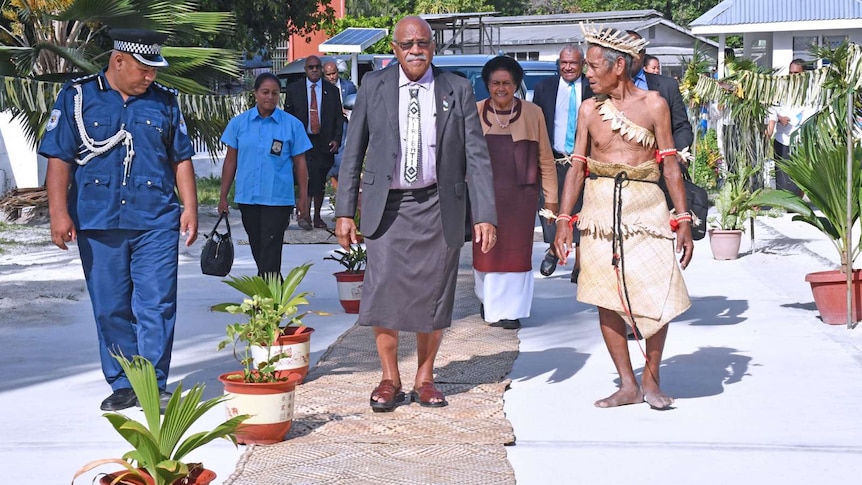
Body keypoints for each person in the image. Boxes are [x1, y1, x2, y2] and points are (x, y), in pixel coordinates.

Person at [335, 16, 497, 411]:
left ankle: (425, 377)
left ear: (433, 47)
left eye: (422, 43)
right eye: (407, 44)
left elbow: (476, 156)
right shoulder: (374, 86)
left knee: (434, 296)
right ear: (395, 48)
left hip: (438, 206)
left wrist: (485, 213)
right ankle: (390, 377)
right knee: (384, 290)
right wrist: (343, 211)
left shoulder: (456, 88)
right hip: (386, 208)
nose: (415, 51)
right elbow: (352, 150)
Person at [39, 29, 197, 411]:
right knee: (110, 306)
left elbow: (180, 158)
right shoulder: (77, 98)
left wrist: (190, 207)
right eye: (144, 69)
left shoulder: (165, 103)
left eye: (155, 71)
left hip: (155, 219)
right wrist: (58, 212)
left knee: (157, 303)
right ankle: (124, 382)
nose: (151, 77)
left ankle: (153, 382)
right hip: (98, 221)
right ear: (118, 61)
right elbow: (59, 159)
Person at [554, 24, 694, 410]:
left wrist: (683, 219)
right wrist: (564, 220)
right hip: (599, 210)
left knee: (656, 288)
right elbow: (577, 167)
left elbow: (669, 165)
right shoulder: (588, 109)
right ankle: (627, 384)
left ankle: (652, 379)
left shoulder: (654, 105)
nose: (588, 73)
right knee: (604, 295)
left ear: (619, 65)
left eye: (595, 66)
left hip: (646, 207)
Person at [474, 56, 557, 330]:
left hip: (521, 197)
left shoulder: (533, 113)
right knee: (486, 251)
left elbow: (545, 158)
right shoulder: (474, 112)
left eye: (507, 83)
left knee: (516, 253)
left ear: (516, 85)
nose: (501, 88)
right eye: (495, 83)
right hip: (484, 196)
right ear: (487, 84)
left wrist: (552, 200)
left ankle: (510, 311)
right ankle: (489, 301)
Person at [218, 72, 311, 278]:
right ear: (255, 94)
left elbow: (301, 164)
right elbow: (230, 161)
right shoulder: (239, 124)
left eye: (275, 93)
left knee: (271, 245)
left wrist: (303, 197)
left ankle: (269, 298)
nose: (270, 97)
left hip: (278, 199)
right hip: (248, 197)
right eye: (265, 92)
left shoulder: (292, 125)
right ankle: (271, 291)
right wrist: (223, 196)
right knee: (257, 245)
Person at [532, 45, 593, 281]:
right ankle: (553, 248)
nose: (567, 67)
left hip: (583, 161)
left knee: (581, 210)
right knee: (551, 207)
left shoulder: (592, 88)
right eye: (563, 62)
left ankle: (580, 263)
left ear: (582, 64)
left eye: (573, 63)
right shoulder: (544, 87)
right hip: (554, 158)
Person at [285, 55, 343, 230]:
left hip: (323, 141)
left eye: (317, 67)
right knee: (304, 179)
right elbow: (287, 116)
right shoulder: (294, 89)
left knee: (318, 180)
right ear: (306, 70)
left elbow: (338, 118)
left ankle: (317, 216)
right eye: (311, 67)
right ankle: (304, 216)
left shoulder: (331, 90)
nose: (315, 70)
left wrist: (336, 139)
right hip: (301, 141)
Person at [627, 31, 693, 155]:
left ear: (643, 54)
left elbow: (681, 127)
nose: (630, 56)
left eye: (635, 50)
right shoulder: (605, 90)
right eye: (625, 51)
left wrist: (678, 155)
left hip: (660, 166)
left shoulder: (667, 86)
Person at [766, 59, 810, 196]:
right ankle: (785, 203)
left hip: (801, 140)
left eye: (796, 73)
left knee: (800, 176)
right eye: (790, 73)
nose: (793, 76)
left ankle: (798, 204)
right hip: (782, 138)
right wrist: (778, 120)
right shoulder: (780, 90)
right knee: (783, 177)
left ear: (804, 73)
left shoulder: (810, 92)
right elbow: (771, 110)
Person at [323, 60, 357, 191]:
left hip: (346, 127)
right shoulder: (321, 88)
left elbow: (357, 104)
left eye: (334, 73)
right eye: (328, 74)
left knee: (345, 160)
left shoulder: (348, 86)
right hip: (329, 129)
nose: (332, 77)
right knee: (334, 165)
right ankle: (337, 194)